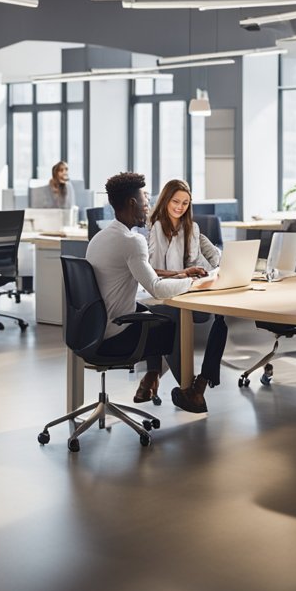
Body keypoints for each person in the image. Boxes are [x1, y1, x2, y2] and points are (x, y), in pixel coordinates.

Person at [85, 172, 202, 414]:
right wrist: (193, 284)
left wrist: (180, 275)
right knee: (172, 322)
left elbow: (144, 275)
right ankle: (189, 392)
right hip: (115, 336)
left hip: (88, 331)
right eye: (145, 198)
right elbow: (156, 289)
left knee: (157, 314)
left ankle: (153, 378)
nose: (148, 205)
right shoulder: (132, 241)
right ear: (132, 203)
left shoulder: (100, 237)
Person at [146, 179, 227, 411]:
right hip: (165, 292)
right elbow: (151, 270)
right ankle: (183, 385)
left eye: (185, 203)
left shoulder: (192, 228)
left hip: (191, 290)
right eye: (175, 201)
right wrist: (183, 274)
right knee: (173, 317)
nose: (180, 207)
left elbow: (214, 257)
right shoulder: (156, 228)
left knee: (222, 318)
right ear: (165, 200)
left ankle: (201, 383)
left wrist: (217, 269)